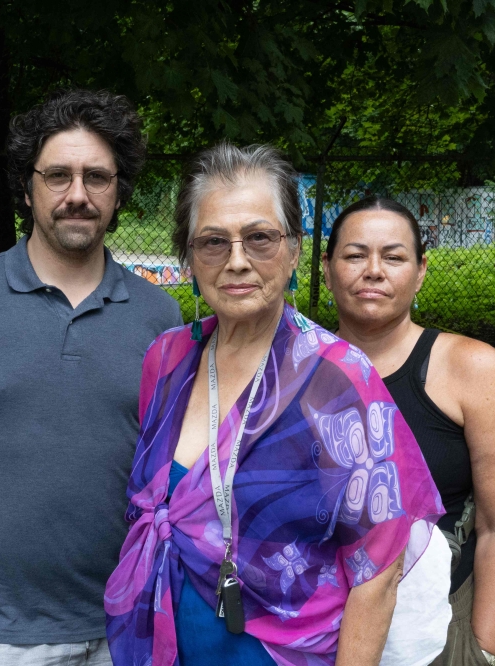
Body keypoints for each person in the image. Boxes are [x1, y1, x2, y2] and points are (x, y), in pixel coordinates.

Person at [105, 144, 446, 666]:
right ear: (190, 257)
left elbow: (377, 571)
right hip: (162, 645)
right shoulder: (168, 359)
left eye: (260, 238)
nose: (237, 260)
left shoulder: (336, 379)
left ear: (293, 251)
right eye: (214, 242)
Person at [0, 89, 183, 666]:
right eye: (58, 176)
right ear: (28, 188)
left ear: (118, 192)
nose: (78, 195)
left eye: (97, 177)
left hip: (122, 619)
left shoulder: (159, 316)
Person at [322, 196, 495, 666]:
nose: (373, 270)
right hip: (313, 630)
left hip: (434, 633)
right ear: (327, 267)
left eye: (393, 257)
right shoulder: (297, 368)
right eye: (355, 255)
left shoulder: (472, 369)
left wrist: (483, 650)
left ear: (420, 271)